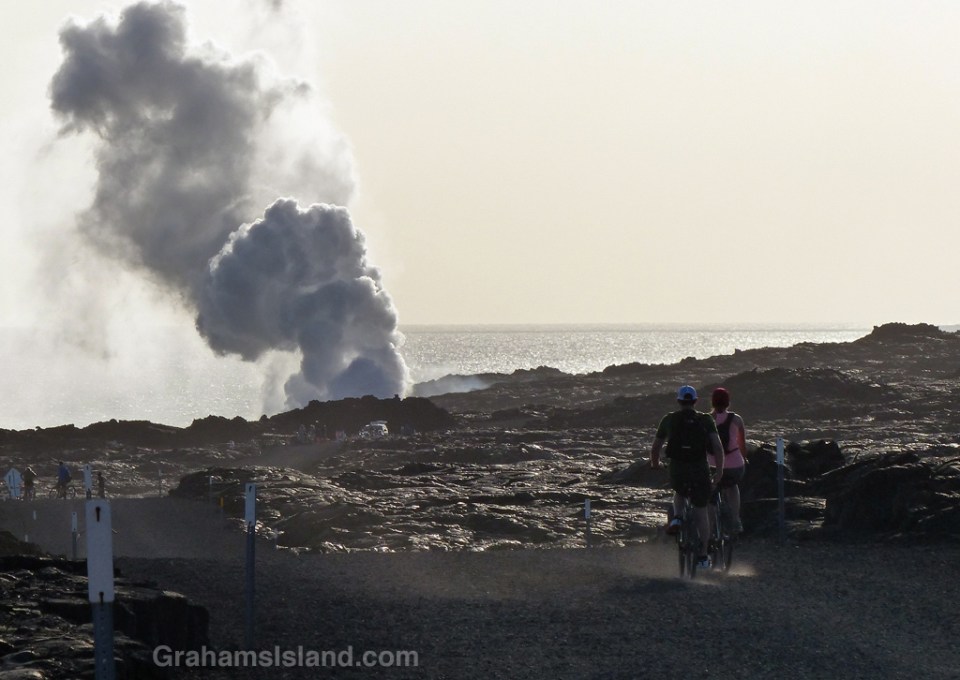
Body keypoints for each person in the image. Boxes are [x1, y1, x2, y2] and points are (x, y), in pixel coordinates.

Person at [650, 385, 724, 569]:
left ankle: (676, 518)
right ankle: (703, 556)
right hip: (700, 469)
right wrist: (720, 470)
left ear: (679, 401)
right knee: (701, 510)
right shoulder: (705, 419)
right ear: (696, 401)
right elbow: (717, 446)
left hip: (678, 469)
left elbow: (656, 447)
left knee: (679, 491)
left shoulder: (669, 419)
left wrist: (655, 464)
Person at [710, 387, 747, 534]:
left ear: (712, 402)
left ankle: (710, 529)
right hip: (735, 467)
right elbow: (742, 446)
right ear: (728, 403)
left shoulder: (706, 419)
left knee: (710, 497)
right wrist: (744, 460)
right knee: (732, 487)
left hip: (712, 466)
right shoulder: (737, 419)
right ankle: (736, 519)